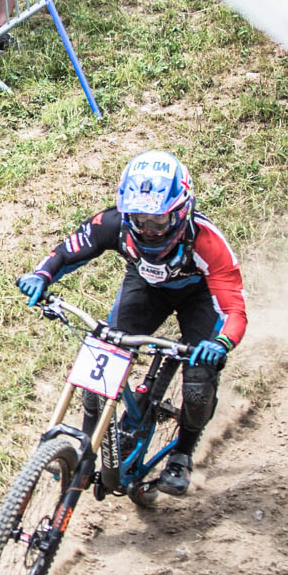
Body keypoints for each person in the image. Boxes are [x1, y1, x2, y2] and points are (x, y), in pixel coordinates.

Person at [16, 151, 249, 496]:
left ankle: (182, 455)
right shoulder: (113, 224)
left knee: (199, 383)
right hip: (145, 289)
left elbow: (233, 310)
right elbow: (68, 251)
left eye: (158, 222)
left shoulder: (208, 243)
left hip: (198, 297)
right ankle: (85, 451)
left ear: (182, 212)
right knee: (100, 362)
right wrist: (42, 274)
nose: (148, 230)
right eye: (139, 220)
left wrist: (221, 344)